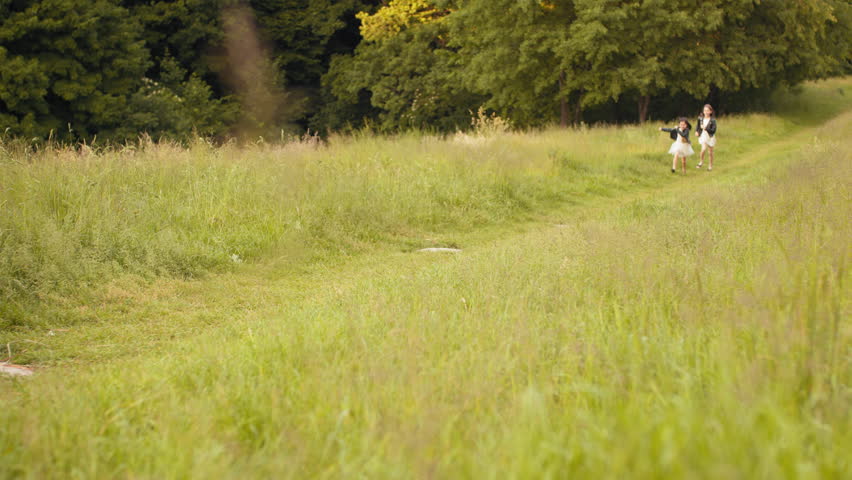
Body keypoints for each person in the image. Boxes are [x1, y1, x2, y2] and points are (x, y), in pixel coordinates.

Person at [695, 104, 717, 170]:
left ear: (710, 112)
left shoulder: (713, 120)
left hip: (710, 137)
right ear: (703, 111)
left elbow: (713, 130)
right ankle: (701, 161)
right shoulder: (700, 118)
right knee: (703, 149)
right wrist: (696, 131)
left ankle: (710, 166)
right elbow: (698, 126)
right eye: (705, 110)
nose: (706, 112)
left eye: (707, 111)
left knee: (710, 152)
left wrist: (705, 128)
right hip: (703, 136)